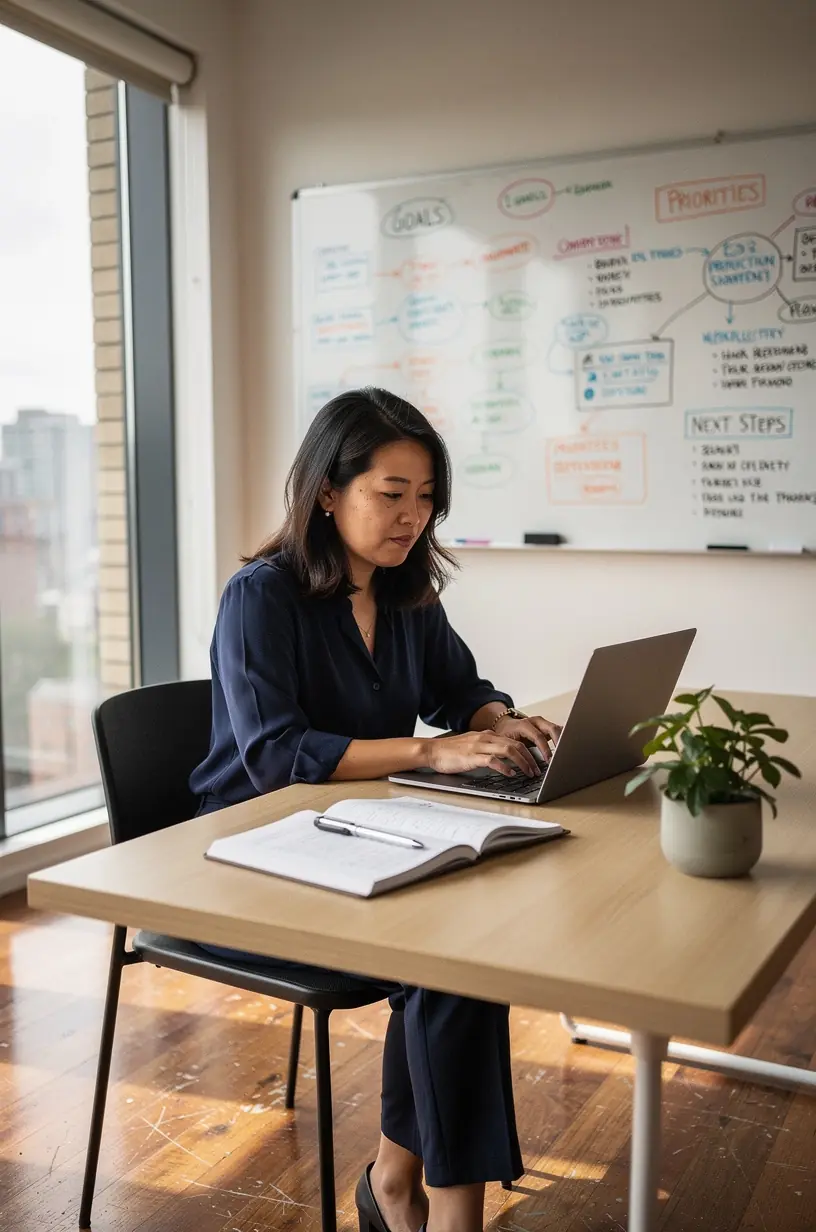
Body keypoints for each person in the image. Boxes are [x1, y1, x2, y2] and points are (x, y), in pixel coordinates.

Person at [190, 387, 562, 1232]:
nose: (412, 517)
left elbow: (459, 690)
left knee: (464, 953)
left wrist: (504, 724)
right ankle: (421, 1200)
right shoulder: (261, 596)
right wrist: (432, 752)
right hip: (246, 866)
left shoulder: (404, 594)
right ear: (328, 489)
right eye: (391, 494)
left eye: (426, 498)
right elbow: (278, 755)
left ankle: (399, 1182)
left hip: (356, 842)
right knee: (449, 960)